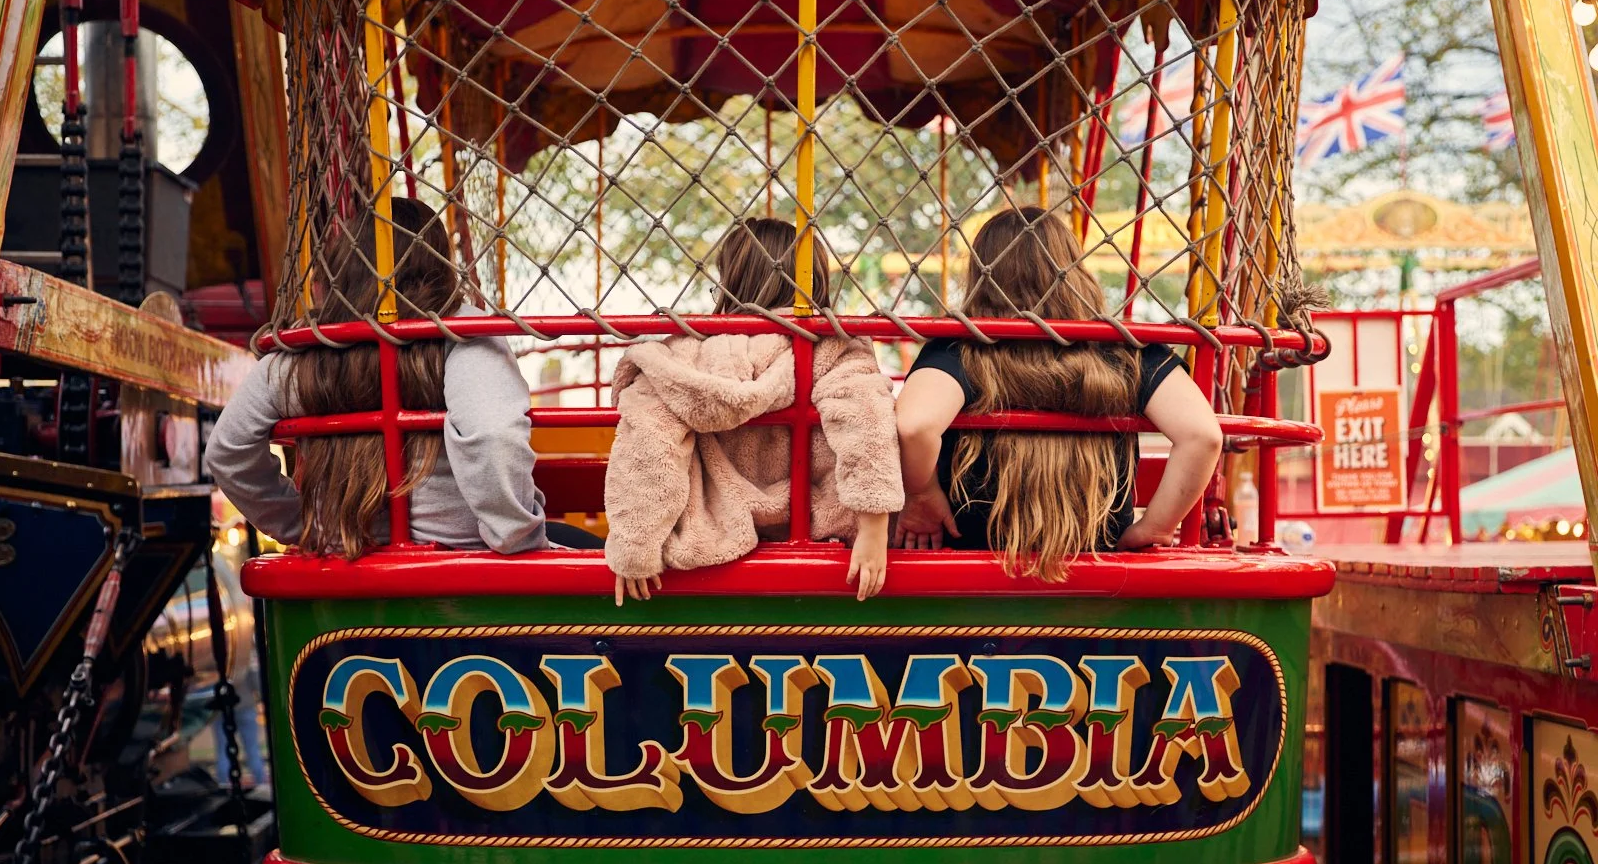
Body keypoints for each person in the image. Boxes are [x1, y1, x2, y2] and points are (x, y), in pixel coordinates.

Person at [208, 197, 570, 558]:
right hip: (458, 559)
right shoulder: (460, 332)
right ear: (439, 264)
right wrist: (517, 538)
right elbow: (493, 433)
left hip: (343, 554)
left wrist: (302, 524)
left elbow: (227, 450)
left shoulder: (305, 351)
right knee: (588, 550)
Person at [893, 206, 1223, 579]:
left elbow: (915, 426)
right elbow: (1202, 436)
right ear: (1074, 268)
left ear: (981, 275)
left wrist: (922, 496)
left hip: (975, 556)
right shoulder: (1129, 350)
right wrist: (1156, 527)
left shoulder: (960, 349)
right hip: (1097, 554)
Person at [604, 218, 901, 603]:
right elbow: (866, 421)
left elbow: (648, 444)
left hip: (714, 533)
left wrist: (635, 547)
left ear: (731, 281)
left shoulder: (684, 356)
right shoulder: (833, 349)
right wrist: (874, 530)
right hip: (820, 531)